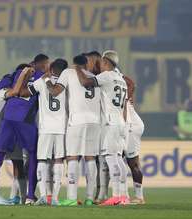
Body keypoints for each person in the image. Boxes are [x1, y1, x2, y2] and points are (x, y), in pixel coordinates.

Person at [0, 54, 49, 206]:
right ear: (43, 65)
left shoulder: (14, 74)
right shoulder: (44, 78)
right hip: (26, 122)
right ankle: (30, 197)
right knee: (33, 156)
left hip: (8, 120)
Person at [7, 58, 69, 206]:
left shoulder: (42, 81)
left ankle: (42, 195)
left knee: (42, 160)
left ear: (52, 68)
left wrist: (22, 80)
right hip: (61, 128)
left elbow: (22, 93)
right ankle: (54, 197)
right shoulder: (66, 82)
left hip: (46, 128)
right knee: (59, 160)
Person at [44, 55, 101, 206]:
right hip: (95, 121)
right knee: (90, 158)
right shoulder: (93, 77)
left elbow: (55, 92)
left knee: (72, 157)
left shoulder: (68, 72)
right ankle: (89, 197)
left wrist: (47, 80)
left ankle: (71, 198)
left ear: (74, 64)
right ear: (87, 64)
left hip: (77, 121)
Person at [75, 50, 129, 205]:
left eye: (102, 62)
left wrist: (78, 69)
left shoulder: (106, 76)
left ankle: (116, 196)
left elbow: (86, 83)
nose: (100, 64)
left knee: (111, 158)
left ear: (106, 62)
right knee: (118, 158)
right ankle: (123, 195)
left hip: (110, 122)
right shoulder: (121, 79)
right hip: (120, 121)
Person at [122, 75, 145, 204]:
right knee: (120, 161)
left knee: (130, 163)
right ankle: (126, 195)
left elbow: (132, 84)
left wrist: (126, 97)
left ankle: (137, 197)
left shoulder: (115, 76)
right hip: (129, 123)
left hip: (131, 125)